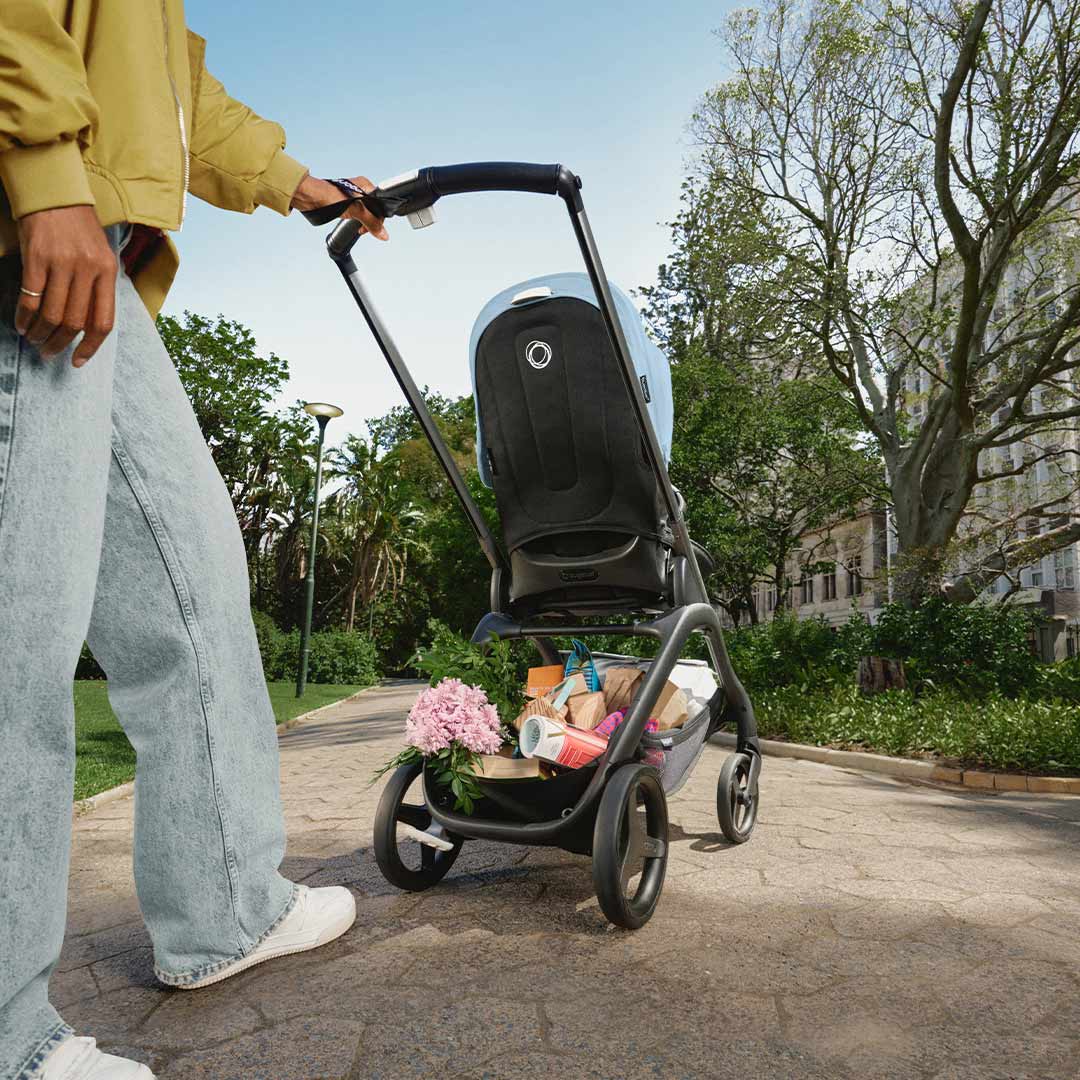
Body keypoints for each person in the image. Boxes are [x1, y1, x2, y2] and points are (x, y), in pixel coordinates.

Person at [0, 4, 388, 1078]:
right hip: (39, 214)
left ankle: (226, 907)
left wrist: (295, 180)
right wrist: (39, 171)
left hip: (105, 238)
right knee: (17, 630)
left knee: (193, 588)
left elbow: (162, 76)